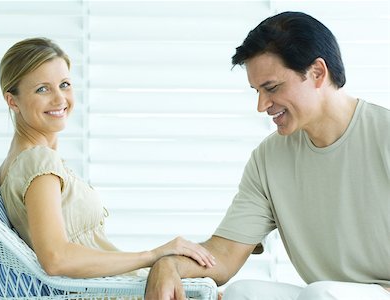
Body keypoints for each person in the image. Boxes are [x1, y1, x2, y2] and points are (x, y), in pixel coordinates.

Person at [145, 11, 390, 300]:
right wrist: (167, 264)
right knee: (242, 293)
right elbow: (224, 254)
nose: (262, 105)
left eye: (271, 88)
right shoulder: (269, 158)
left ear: (317, 73)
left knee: (321, 294)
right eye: (257, 91)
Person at [0, 37, 216, 279]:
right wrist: (153, 255)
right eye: (43, 89)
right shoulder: (38, 162)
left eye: (65, 84)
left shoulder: (16, 164)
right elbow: (56, 259)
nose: (60, 99)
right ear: (12, 101)